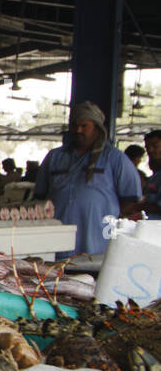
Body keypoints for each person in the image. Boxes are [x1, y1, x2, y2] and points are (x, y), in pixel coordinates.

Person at [33, 101, 141, 257]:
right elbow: (40, 196)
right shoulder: (55, 157)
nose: (78, 130)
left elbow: (131, 200)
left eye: (84, 126)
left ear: (96, 128)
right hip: (57, 240)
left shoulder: (115, 158)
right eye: (75, 125)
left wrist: (104, 214)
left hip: (96, 241)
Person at [135, 130, 161, 219]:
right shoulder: (155, 176)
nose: (150, 150)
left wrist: (136, 207)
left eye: (155, 146)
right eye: (147, 147)